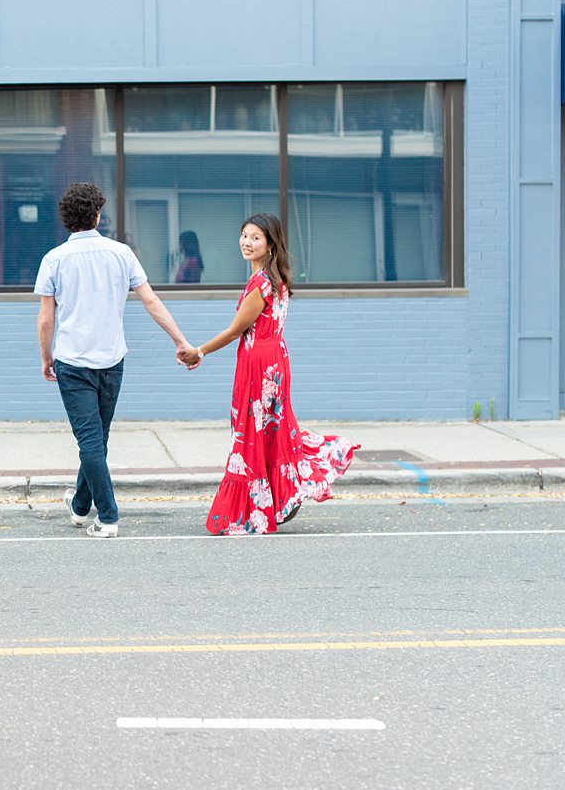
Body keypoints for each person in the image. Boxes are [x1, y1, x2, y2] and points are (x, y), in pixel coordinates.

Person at [177, 212, 358, 535]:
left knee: (252, 433)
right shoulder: (277, 280)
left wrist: (199, 351)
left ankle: (259, 508)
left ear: (271, 245)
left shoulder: (261, 284)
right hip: (274, 359)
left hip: (259, 364)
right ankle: (281, 498)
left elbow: (236, 331)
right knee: (272, 431)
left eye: (256, 237)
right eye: (244, 235)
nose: (247, 242)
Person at [36, 182, 194, 538]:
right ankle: (79, 507)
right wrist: (181, 341)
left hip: (73, 362)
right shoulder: (122, 253)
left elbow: (47, 319)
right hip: (111, 360)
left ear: (66, 220)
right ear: (97, 216)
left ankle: (107, 517)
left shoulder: (54, 260)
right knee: (97, 439)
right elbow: (152, 302)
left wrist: (46, 357)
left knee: (91, 441)